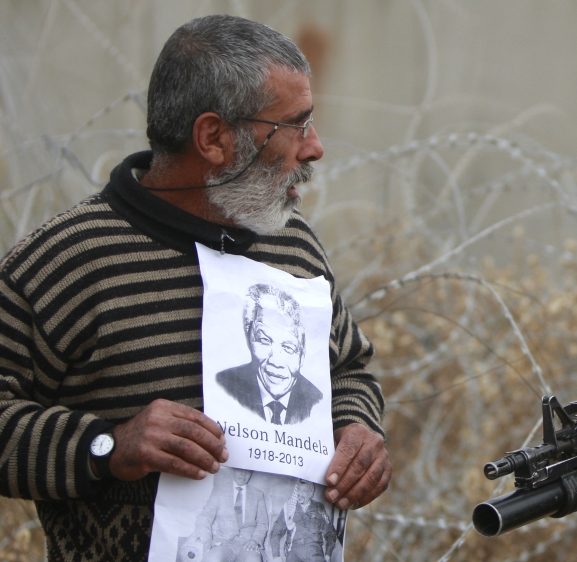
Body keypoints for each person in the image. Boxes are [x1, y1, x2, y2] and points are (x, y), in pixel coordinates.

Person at [0, 14, 390, 560]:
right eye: (295, 125)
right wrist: (108, 445)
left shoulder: (291, 242)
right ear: (213, 138)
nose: (315, 147)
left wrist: (357, 428)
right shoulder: (65, 261)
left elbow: (346, 369)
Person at [217, 284, 323, 425]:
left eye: (288, 347)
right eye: (264, 340)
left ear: (302, 356)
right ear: (249, 339)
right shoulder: (224, 385)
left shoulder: (317, 401)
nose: (275, 362)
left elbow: (347, 369)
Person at [187, 468, 267, 562]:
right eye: (239, 470)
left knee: (253, 560)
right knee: (213, 559)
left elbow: (263, 523)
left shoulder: (258, 494)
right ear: (233, 470)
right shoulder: (219, 490)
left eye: (247, 471)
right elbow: (205, 517)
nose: (243, 474)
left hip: (247, 544)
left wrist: (255, 540)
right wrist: (207, 539)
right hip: (223, 543)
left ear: (251, 473)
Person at [270, 480, 338, 562]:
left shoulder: (319, 508)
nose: (300, 494)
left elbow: (330, 534)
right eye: (298, 490)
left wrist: (328, 554)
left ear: (311, 493)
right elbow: (276, 531)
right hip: (294, 553)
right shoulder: (289, 508)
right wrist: (276, 556)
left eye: (304, 491)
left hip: (315, 553)